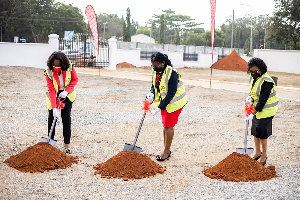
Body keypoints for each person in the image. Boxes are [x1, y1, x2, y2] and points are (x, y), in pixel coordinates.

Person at [146, 52, 187, 161]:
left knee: (169, 125)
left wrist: (159, 107)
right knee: (165, 125)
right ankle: (166, 149)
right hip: (165, 102)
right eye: (152, 66)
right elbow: (154, 85)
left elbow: (171, 93)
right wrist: (151, 94)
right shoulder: (156, 71)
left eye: (156, 66)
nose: (154, 68)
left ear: (163, 63)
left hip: (174, 102)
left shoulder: (172, 74)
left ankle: (166, 151)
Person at [245, 57, 279, 166]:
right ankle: (257, 152)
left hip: (268, 109)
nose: (253, 73)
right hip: (257, 107)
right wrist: (249, 98)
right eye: (251, 71)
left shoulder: (267, 81)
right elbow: (254, 91)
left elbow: (263, 101)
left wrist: (252, 113)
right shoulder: (253, 77)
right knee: (255, 129)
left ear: (261, 69)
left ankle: (264, 154)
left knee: (262, 130)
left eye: (255, 71)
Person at [44, 51, 79, 154]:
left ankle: (67, 145)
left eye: (58, 65)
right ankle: (50, 143)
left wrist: (66, 92)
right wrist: (54, 107)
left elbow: (75, 80)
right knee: (51, 117)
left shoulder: (69, 67)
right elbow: (50, 89)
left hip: (67, 94)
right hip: (53, 94)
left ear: (63, 64)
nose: (56, 67)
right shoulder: (49, 72)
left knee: (66, 117)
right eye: (54, 65)